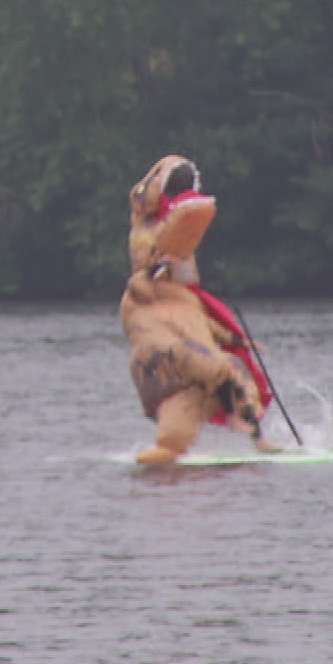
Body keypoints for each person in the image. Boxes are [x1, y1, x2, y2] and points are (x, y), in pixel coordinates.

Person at [117, 154, 278, 465]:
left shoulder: (182, 279)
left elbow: (197, 320)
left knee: (226, 369)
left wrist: (236, 338)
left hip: (181, 317)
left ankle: (254, 434)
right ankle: (178, 443)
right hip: (154, 329)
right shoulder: (145, 231)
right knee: (209, 367)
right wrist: (156, 270)